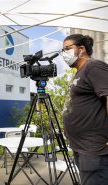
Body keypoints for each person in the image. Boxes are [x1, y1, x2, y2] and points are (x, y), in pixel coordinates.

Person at [62, 34, 108, 185]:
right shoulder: (81, 71)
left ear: (81, 49)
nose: (64, 54)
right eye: (62, 50)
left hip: (93, 148)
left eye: (68, 49)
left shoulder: (94, 66)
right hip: (81, 147)